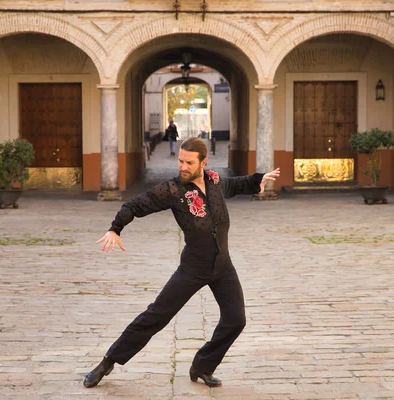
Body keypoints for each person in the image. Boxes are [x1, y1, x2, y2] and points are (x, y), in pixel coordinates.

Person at [84, 137, 280, 389]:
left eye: (189, 162)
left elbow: (237, 184)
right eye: (180, 161)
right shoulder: (173, 190)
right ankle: (108, 361)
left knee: (236, 320)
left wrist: (257, 181)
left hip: (223, 267)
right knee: (156, 316)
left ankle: (202, 366)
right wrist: (115, 228)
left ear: (203, 163)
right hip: (193, 268)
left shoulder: (215, 181)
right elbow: (135, 205)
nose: (183, 167)